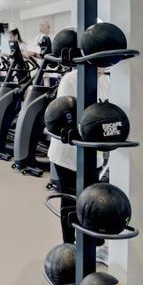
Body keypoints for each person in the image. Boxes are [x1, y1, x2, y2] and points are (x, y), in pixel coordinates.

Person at [48, 68, 111, 246]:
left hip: (93, 152)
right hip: (67, 152)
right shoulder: (71, 79)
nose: (103, 69)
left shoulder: (106, 81)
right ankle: (68, 246)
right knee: (70, 198)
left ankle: (92, 244)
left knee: (92, 198)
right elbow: (64, 117)